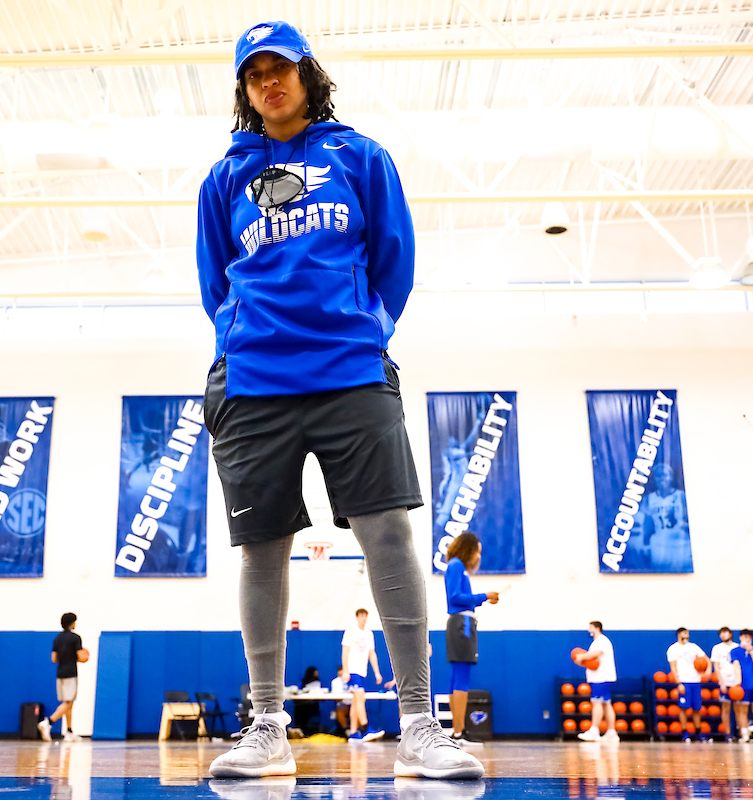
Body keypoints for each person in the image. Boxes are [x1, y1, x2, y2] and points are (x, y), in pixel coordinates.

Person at [197, 19, 482, 781]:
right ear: (245, 91)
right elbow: (214, 281)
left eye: (280, 68)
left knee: (388, 534)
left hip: (351, 372)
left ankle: (420, 726)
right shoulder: (224, 180)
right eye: (254, 74)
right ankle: (265, 728)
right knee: (261, 552)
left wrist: (367, 331)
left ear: (306, 75)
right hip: (254, 381)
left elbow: (395, 259)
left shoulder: (360, 156)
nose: (268, 83)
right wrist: (237, 343)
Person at [442, 532, 499, 744]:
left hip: (461, 624)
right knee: (462, 675)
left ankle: (458, 732)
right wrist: (484, 596)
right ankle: (459, 732)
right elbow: (455, 597)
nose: (478, 556)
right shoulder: (457, 566)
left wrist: (482, 600)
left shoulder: (457, 567)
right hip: (462, 625)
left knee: (458, 675)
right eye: (478, 551)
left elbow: (461, 599)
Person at [39, 612, 87, 742]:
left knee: (67, 703)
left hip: (60, 673)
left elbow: (54, 659)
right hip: (71, 673)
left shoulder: (57, 639)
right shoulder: (76, 638)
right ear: (72, 623)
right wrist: (85, 656)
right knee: (68, 703)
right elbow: (82, 657)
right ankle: (48, 722)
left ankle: (69, 731)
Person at [342, 608, 387, 743]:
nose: (363, 618)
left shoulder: (369, 633)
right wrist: (345, 670)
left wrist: (377, 672)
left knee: (356, 702)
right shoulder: (350, 631)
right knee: (360, 698)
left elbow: (372, 654)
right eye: (361, 616)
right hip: (353, 670)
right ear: (357, 617)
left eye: (365, 616)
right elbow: (345, 651)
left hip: (363, 671)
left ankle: (354, 733)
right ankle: (366, 728)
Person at [667, 627, 711, 743]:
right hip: (684, 681)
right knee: (683, 708)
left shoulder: (694, 647)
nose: (686, 635)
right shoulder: (673, 649)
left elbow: (706, 659)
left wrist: (708, 670)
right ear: (678, 635)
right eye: (684, 633)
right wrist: (679, 682)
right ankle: (685, 733)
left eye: (687, 633)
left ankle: (698, 733)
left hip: (695, 681)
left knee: (697, 708)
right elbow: (673, 667)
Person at [576, 621, 618, 743]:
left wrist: (581, 657)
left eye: (590, 627)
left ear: (596, 628)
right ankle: (611, 732)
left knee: (597, 702)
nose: (589, 630)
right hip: (601, 677)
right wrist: (582, 661)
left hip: (601, 677)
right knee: (606, 703)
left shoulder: (601, 641)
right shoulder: (597, 642)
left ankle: (594, 731)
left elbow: (596, 653)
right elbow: (592, 660)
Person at [710, 626, 741, 742]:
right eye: (721, 633)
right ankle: (728, 733)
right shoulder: (717, 648)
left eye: (725, 633)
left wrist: (739, 681)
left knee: (739, 708)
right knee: (726, 708)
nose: (723, 635)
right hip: (725, 681)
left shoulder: (737, 647)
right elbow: (716, 667)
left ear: (730, 634)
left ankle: (740, 732)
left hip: (736, 681)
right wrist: (721, 682)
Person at [330, 665, 352, 735]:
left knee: (358, 709)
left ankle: (359, 729)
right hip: (342, 704)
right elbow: (336, 697)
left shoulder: (352, 680)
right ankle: (346, 731)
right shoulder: (335, 682)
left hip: (353, 704)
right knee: (340, 710)